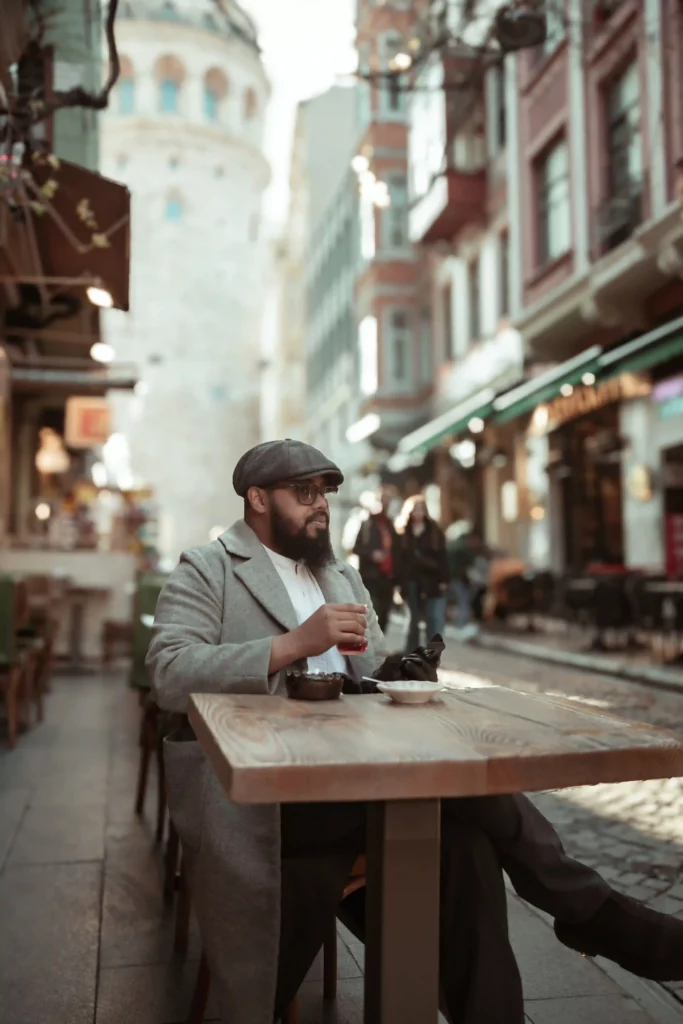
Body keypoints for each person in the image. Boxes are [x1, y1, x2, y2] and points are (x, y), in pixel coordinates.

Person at [147, 439, 683, 1024]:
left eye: (324, 492)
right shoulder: (209, 568)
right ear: (256, 499)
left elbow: (371, 669)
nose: (320, 505)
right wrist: (293, 644)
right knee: (467, 791)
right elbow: (169, 673)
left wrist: (396, 672)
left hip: (359, 771)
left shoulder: (341, 575)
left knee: (470, 846)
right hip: (268, 792)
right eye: (303, 492)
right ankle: (595, 914)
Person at [396, 495, 449, 651]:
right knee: (412, 619)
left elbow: (443, 556)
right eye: (415, 510)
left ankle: (432, 653)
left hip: (431, 580)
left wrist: (444, 579)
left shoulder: (434, 531)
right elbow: (399, 559)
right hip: (411, 580)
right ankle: (411, 652)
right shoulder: (402, 532)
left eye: (421, 509)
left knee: (433, 619)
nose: (418, 513)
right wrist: (398, 583)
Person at [352, 486, 397, 633]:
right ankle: (369, 645)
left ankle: (379, 646)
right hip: (370, 576)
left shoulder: (390, 524)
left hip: (387, 577)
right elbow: (356, 548)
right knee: (372, 611)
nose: (385, 504)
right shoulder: (367, 523)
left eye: (388, 501)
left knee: (385, 613)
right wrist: (372, 554)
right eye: (382, 500)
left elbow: (397, 550)